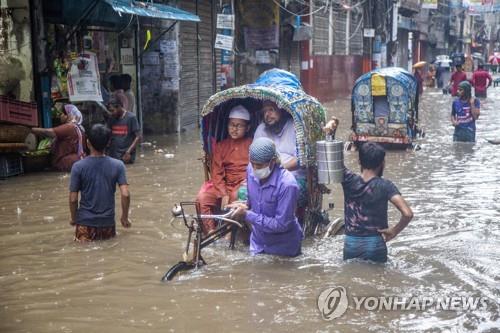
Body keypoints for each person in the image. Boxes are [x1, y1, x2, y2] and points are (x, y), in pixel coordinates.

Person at [228, 137, 303, 257]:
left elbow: (282, 225)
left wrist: (247, 215)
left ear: (273, 162)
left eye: (259, 165)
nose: (255, 169)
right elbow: (252, 201)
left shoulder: (287, 185)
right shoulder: (250, 170)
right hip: (258, 244)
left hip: (283, 249)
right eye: (252, 164)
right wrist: (244, 205)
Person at [341, 142, 413, 263]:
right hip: (374, 245)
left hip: (351, 244)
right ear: (382, 163)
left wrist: (330, 133)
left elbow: (331, 158)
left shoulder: (347, 179)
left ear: (359, 161)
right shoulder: (386, 186)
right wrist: (394, 231)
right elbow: (408, 214)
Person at [196, 105, 253, 235]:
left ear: (248, 128)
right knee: (202, 198)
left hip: (243, 183)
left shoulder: (252, 144)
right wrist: (223, 193)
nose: (234, 129)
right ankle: (211, 232)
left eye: (239, 125)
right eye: (232, 125)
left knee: (235, 196)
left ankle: (228, 233)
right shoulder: (221, 146)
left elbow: (255, 169)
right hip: (223, 185)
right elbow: (217, 172)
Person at [69, 124, 131, 241]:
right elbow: (125, 194)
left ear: (87, 143)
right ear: (108, 143)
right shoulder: (118, 165)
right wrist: (124, 217)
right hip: (107, 224)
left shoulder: (78, 167)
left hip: (85, 224)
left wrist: (73, 218)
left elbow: (73, 199)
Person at [253, 101, 307, 210]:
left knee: (281, 193)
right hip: (265, 176)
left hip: (294, 176)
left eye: (271, 110)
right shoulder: (261, 130)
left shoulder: (296, 127)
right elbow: (254, 157)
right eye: (265, 112)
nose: (267, 115)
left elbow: (301, 159)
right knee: (243, 192)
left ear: (282, 110)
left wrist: (276, 171)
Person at [31, 104, 86, 172]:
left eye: (62, 114)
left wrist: (31, 130)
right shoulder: (80, 128)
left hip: (67, 163)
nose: (60, 116)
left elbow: (48, 132)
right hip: (76, 161)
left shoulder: (69, 127)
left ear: (67, 115)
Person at [106, 94, 141, 164]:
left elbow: (138, 137)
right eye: (110, 111)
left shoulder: (131, 118)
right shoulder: (111, 118)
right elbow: (108, 134)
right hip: (113, 155)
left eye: (113, 110)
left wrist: (128, 152)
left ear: (119, 107)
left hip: (126, 155)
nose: (111, 113)